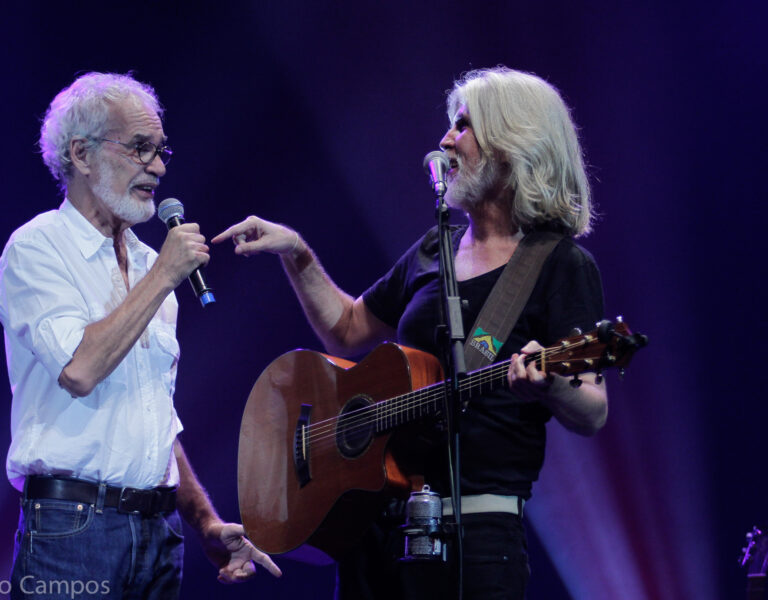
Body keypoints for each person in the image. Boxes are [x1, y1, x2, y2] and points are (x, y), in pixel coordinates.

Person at [213, 66, 608, 600]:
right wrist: (297, 252)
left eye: (463, 126)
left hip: (478, 534)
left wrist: (553, 383)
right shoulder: (434, 248)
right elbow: (348, 330)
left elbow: (593, 408)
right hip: (377, 529)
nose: (445, 140)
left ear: (513, 142)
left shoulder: (560, 264)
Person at [0, 72, 281, 599]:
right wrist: (163, 277)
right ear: (81, 155)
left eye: (160, 150)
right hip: (72, 530)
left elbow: (155, 425)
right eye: (140, 148)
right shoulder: (37, 248)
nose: (158, 166)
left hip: (160, 534)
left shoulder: (154, 266)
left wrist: (205, 524)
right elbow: (79, 370)